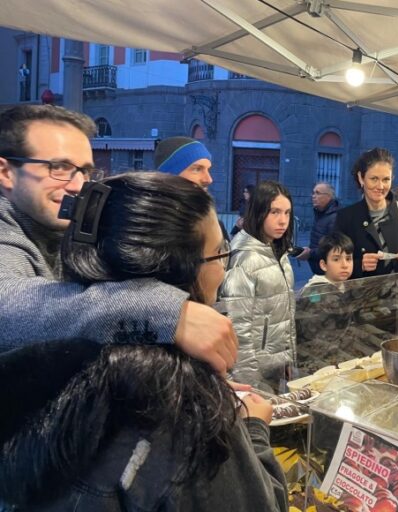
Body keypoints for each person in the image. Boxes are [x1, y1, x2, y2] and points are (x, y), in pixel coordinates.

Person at [0, 172, 287, 511]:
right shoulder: (183, 408)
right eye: (219, 254)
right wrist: (253, 428)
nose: (223, 271)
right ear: (178, 272)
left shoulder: (46, 368)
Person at [0, 105, 236, 373]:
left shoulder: (71, 226)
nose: (78, 185)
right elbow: (6, 306)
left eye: (85, 171)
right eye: (60, 167)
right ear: (6, 172)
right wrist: (169, 313)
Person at [220, 180, 296, 390]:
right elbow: (237, 327)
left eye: (287, 213)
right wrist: (250, 384)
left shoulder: (276, 250)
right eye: (275, 212)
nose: (283, 221)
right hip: (254, 373)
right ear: (259, 212)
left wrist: (288, 358)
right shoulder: (244, 259)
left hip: (275, 368)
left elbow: (283, 313)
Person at [334, 148, 398, 279]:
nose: (380, 186)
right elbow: (334, 262)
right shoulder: (346, 217)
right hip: (362, 296)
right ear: (361, 178)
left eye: (386, 179)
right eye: (374, 179)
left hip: (396, 295)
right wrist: (359, 265)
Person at [154, 136, 230, 241]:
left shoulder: (213, 225)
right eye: (197, 169)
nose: (208, 179)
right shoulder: (149, 229)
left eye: (208, 170)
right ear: (169, 175)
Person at [296, 182, 340, 275]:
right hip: (319, 269)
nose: (313, 196)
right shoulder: (321, 213)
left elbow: (332, 248)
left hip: (328, 272)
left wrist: (310, 253)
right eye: (313, 193)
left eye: (317, 193)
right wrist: (308, 250)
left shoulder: (335, 218)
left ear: (328, 196)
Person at [299, 232, 354, 297]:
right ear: (323, 265)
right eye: (336, 259)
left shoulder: (347, 286)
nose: (345, 265)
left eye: (348, 259)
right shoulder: (316, 290)